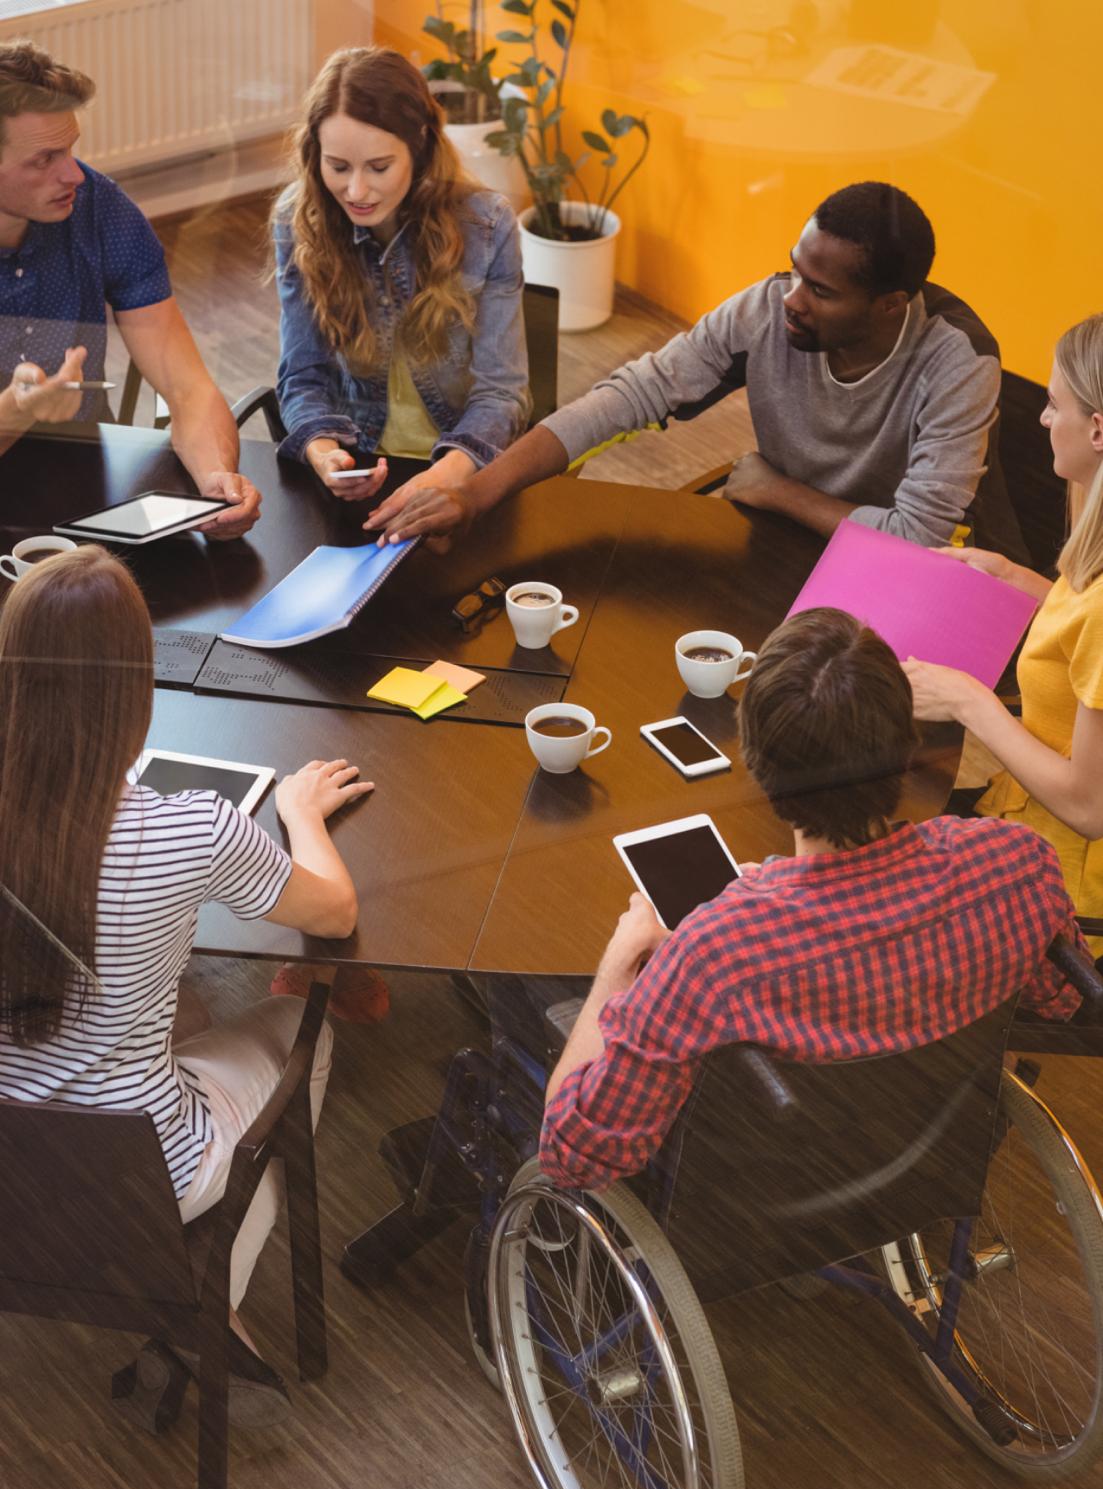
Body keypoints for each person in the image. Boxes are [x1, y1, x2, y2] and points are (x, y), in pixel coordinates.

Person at [0, 546, 370, 1418]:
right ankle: (199, 1305)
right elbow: (334, 913)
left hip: (10, 1162)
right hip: (139, 1169)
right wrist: (300, 815)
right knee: (295, 1025)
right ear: (137, 686)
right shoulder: (190, 831)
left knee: (189, 1003)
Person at [539, 607, 1086, 1191]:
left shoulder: (709, 958)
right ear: (908, 745)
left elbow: (573, 1158)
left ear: (757, 763)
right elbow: (1058, 1003)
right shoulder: (1019, 865)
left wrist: (619, 971)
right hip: (928, 1165)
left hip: (761, 1204)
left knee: (538, 1003)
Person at [370, 180, 1028, 564]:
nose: (791, 299)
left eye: (820, 291)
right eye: (794, 271)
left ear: (889, 306)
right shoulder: (771, 309)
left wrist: (780, 492)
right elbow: (632, 394)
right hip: (790, 548)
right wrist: (477, 494)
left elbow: (915, 541)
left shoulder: (956, 362)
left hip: (926, 576)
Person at [0, 39, 260, 537]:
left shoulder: (97, 207)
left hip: (78, 484)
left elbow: (187, 388)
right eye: (45, 158)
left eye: (71, 149)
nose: (73, 172)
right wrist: (17, 411)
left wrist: (216, 483)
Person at [904, 313, 1103, 947]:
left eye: (1053, 404)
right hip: (1022, 823)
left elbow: (1089, 807)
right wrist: (1011, 576)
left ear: (1098, 429)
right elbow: (1085, 646)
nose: (1044, 420)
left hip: (1058, 890)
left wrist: (969, 701)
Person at [272, 44, 529, 527]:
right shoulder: (296, 218)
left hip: (461, 473)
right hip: (358, 466)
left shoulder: (487, 226)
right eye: (339, 166)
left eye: (379, 167)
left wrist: (445, 478)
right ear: (315, 154)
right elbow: (302, 375)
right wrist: (324, 453)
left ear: (422, 146)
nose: (356, 192)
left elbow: (502, 393)